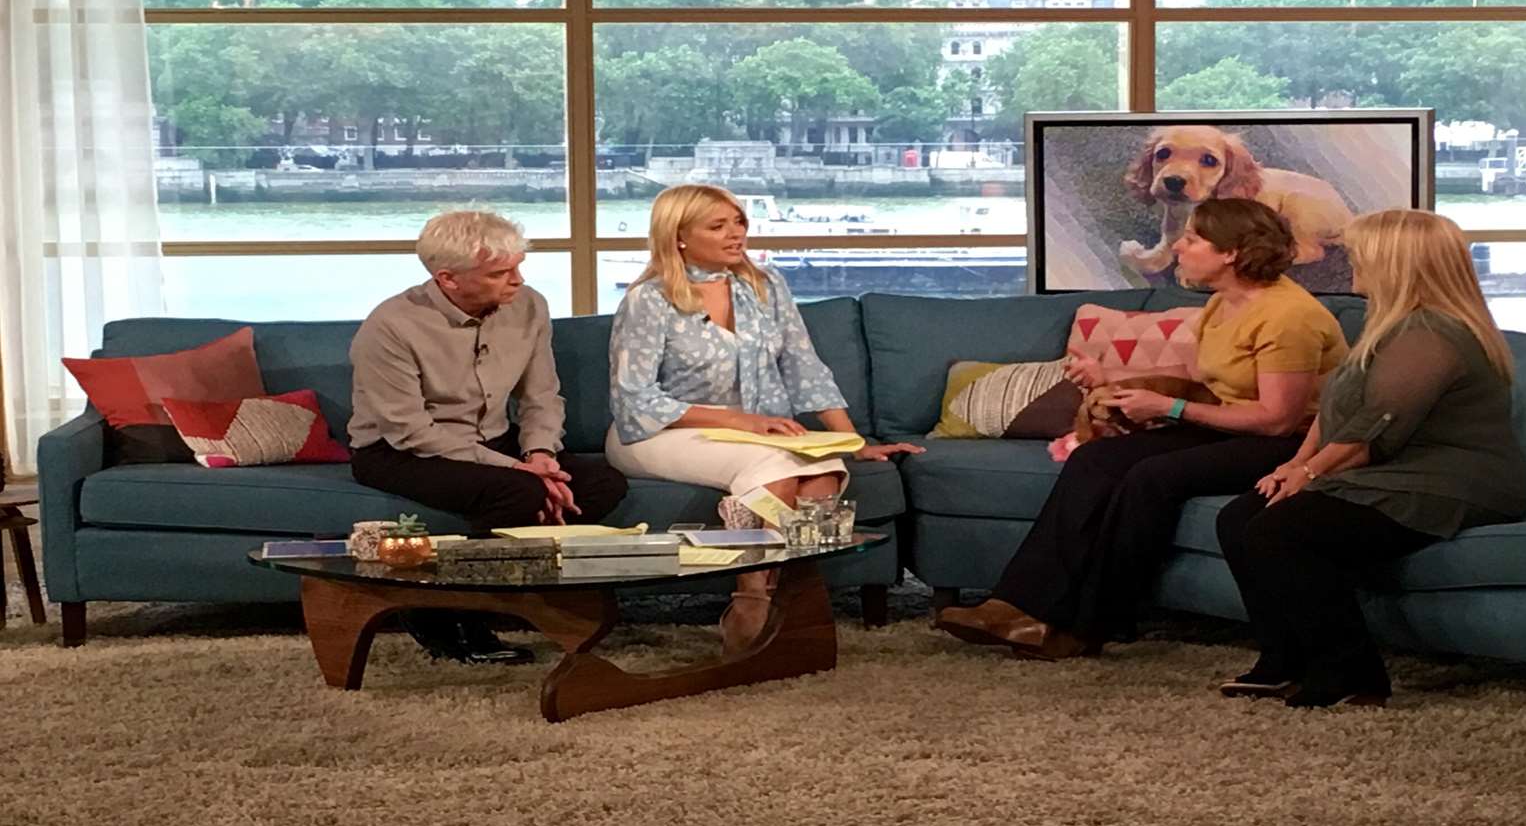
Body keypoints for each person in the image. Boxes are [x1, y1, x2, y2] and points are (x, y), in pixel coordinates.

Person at [935, 197, 1348, 659]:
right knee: (1095, 460)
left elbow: (1276, 419)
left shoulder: (1290, 316)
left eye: (1193, 239)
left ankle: (1089, 625)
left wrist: (1169, 407)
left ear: (1230, 252)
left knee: (1151, 478)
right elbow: (1200, 374)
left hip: (1289, 444)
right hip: (1232, 426)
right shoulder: (1223, 305)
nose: (1179, 247)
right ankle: (1016, 606)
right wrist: (1111, 376)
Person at [1214, 208, 1526, 707]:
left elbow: (1376, 427)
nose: (1350, 261)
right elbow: (1337, 410)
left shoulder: (1433, 332)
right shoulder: (1388, 324)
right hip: (1392, 471)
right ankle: (1283, 661)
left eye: (1360, 252)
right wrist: (1295, 465)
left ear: (1395, 262)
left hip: (1448, 481)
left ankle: (1351, 675)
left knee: (1282, 531)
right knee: (1240, 518)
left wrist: (1312, 474)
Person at [605, 184, 922, 654]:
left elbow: (803, 366)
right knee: (773, 465)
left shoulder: (765, 286)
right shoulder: (649, 300)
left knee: (823, 471)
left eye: (739, 223)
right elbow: (634, 397)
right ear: (679, 237)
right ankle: (749, 598)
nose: (736, 235)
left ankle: (786, 598)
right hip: (657, 431)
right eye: (718, 226)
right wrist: (737, 421)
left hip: (754, 433)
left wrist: (851, 442)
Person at [349, 210, 628, 664]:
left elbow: (541, 395)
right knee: (517, 491)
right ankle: (450, 615)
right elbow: (411, 431)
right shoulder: (389, 327)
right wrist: (520, 470)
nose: (517, 281)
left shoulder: (529, 305)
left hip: (495, 441)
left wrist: (539, 454)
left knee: (602, 483)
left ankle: (523, 597)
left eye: (518, 267)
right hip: (398, 450)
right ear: (449, 279)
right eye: (500, 273)